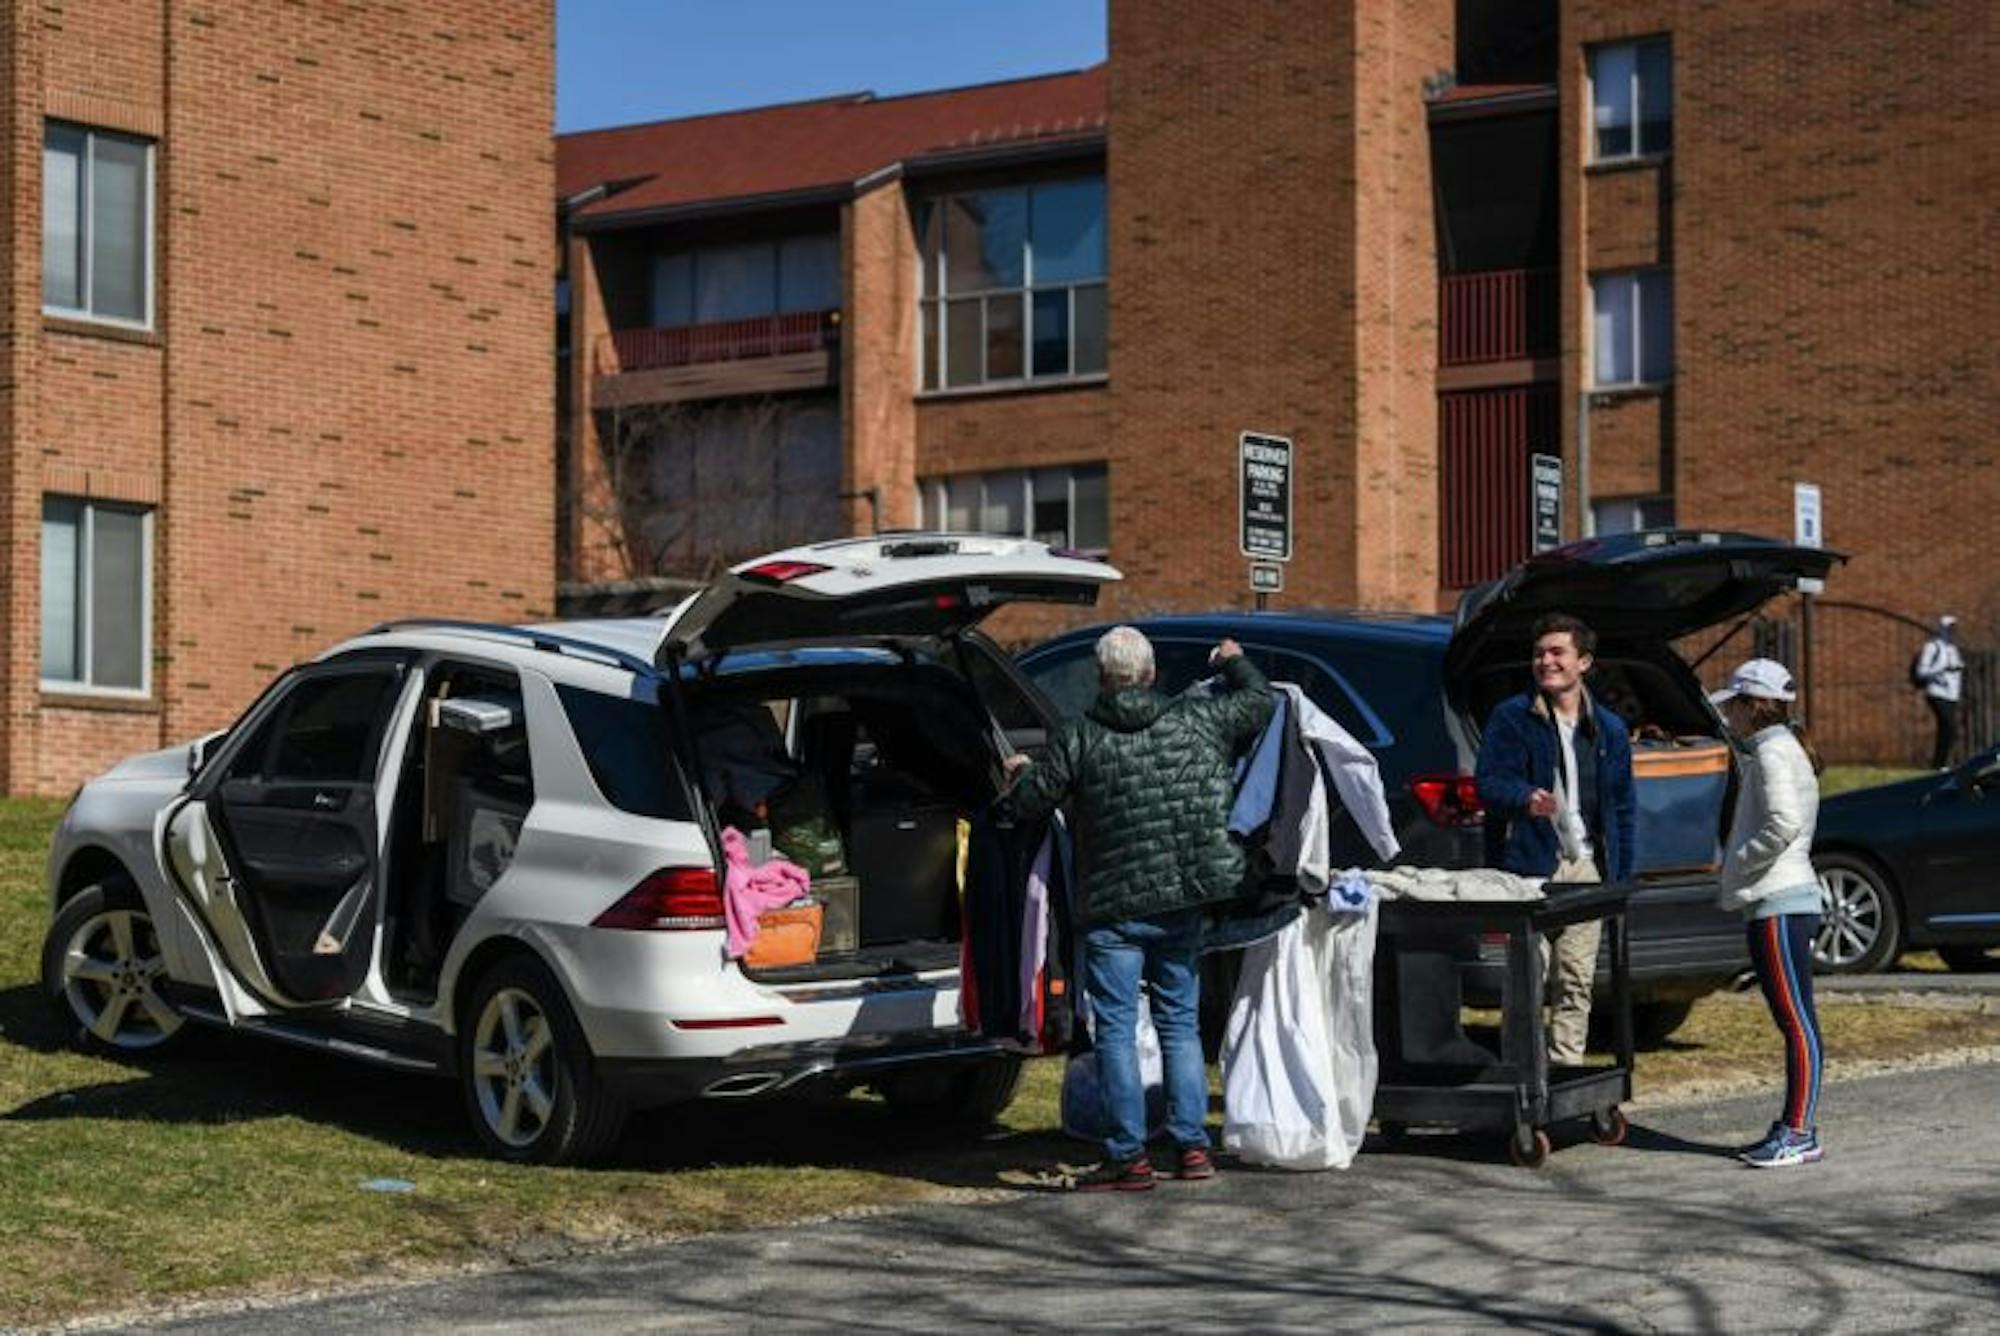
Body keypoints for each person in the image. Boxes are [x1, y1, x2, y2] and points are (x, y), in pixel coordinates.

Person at [1005, 626, 1273, 1191]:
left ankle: (1128, 1157)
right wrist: (1234, 661)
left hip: (1112, 909)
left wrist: (1022, 774)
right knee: (1180, 1023)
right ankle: (1192, 1147)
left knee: (1117, 1031)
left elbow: (1029, 804)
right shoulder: (1198, 720)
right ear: (1151, 675)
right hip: (1184, 898)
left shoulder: (1080, 736)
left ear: (1102, 678)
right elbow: (1259, 702)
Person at [1474, 612, 1636, 1067]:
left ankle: (1567, 1071)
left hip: (1586, 866)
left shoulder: (1608, 728)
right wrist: (1525, 798)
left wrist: (1620, 878)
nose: (1546, 661)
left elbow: (1623, 807)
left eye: (1557, 652)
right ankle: (1521, 1076)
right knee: (1525, 978)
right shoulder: (1512, 717)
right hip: (1528, 865)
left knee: (1575, 978)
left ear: (1583, 662)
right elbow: (1487, 782)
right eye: (1539, 653)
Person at [1709, 657, 1825, 1168]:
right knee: (1797, 1020)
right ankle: (1796, 1125)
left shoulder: (1776, 753)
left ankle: (1799, 1132)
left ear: (1750, 706)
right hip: (1782, 900)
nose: (1727, 715)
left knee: (1795, 1022)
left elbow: (1783, 823)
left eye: (1732, 705)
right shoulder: (1778, 748)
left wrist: (1738, 859)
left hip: (1780, 902)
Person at [1915, 614, 1965, 770]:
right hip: (1936, 693)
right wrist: (1943, 668)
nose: (1952, 631)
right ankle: (1939, 764)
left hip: (1951, 694)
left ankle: (1942, 763)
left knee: (1949, 729)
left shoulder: (1953, 648)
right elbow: (1921, 671)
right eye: (1950, 628)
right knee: (1948, 726)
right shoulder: (1932, 647)